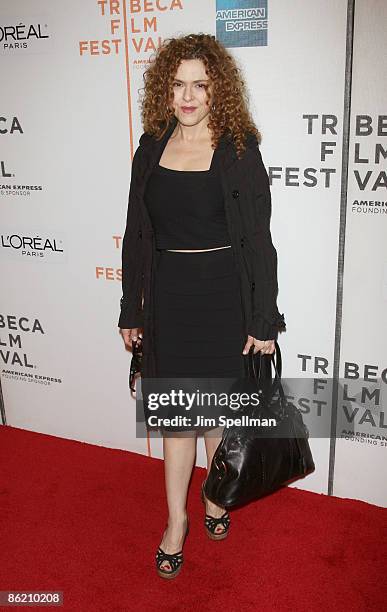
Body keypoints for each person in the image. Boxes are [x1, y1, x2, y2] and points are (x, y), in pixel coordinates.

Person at [118, 33, 286, 579]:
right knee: (177, 421)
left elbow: (259, 240)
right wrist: (131, 310)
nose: (187, 96)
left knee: (216, 415)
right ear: (165, 90)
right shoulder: (150, 146)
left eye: (200, 85)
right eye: (178, 84)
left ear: (218, 92)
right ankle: (176, 523)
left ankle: (215, 497)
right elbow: (136, 234)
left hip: (222, 297)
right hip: (168, 294)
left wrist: (264, 319)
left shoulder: (239, 148)